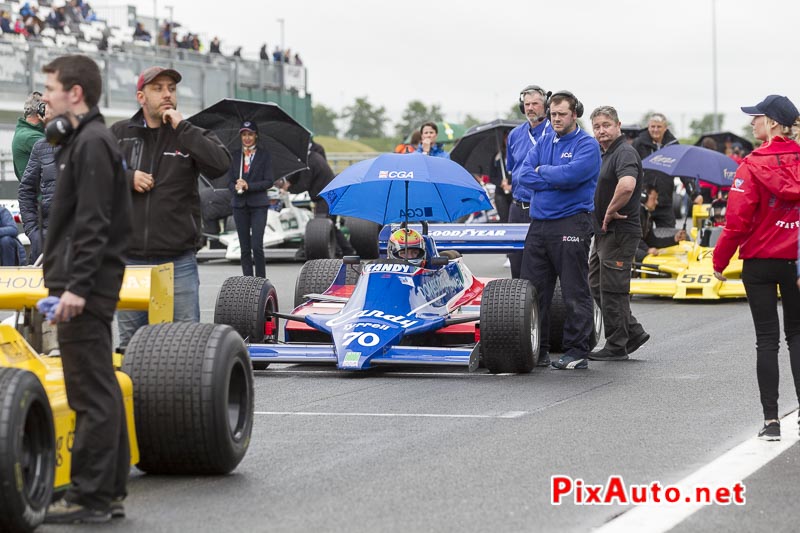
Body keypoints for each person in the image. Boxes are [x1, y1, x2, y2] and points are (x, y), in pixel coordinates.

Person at [39, 54, 131, 524]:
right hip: (89, 285)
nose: (47, 97)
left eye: (52, 88)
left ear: (75, 93)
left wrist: (75, 288)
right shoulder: (88, 139)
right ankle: (107, 492)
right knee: (102, 390)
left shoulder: (93, 142)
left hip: (85, 290)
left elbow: (93, 223)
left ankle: (89, 497)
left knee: (89, 395)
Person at [111, 66, 231, 348]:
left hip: (178, 261)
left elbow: (221, 165)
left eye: (172, 89)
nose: (167, 94)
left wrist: (184, 128)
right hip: (129, 261)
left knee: (186, 345)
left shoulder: (188, 133)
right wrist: (127, 178)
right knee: (131, 346)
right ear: (141, 96)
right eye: (158, 88)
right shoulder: (118, 134)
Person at [713, 95, 800, 441]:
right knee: (797, 336)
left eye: (757, 118)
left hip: (760, 262)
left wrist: (720, 260)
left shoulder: (750, 165)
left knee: (767, 340)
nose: (752, 124)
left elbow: (736, 222)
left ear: (774, 124)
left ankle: (771, 421)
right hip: (795, 261)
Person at [517, 90, 601, 370]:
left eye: (561, 114)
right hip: (539, 225)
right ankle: (538, 349)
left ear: (574, 113)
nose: (556, 119)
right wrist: (551, 174)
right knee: (534, 291)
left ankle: (577, 350)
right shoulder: (544, 140)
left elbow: (571, 176)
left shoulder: (587, 145)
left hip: (571, 222)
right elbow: (523, 175)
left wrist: (545, 173)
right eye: (552, 114)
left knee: (574, 290)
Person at [587, 106, 650, 361]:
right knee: (596, 284)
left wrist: (610, 211)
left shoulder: (624, 152)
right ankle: (632, 332)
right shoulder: (606, 154)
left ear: (618, 125)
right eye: (597, 127)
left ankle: (616, 344)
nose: (602, 131)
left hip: (620, 230)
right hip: (604, 233)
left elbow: (626, 185)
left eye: (606, 125)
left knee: (613, 289)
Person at [506, 84, 550, 279]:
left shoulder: (554, 132)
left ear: (545, 106)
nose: (530, 108)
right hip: (517, 207)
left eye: (535, 104)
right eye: (526, 104)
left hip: (542, 205)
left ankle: (544, 308)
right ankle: (519, 306)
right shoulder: (515, 134)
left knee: (542, 263)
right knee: (517, 261)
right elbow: (512, 167)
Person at [229, 121, 273, 278]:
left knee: (257, 246)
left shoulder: (264, 155)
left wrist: (249, 186)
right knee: (244, 248)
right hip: (239, 205)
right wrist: (235, 186)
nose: (247, 138)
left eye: (250, 134)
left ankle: (261, 280)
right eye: (244, 134)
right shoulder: (235, 155)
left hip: (258, 205)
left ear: (256, 135)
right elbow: (228, 181)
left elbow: (269, 181)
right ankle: (248, 282)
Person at [19, 104, 59, 264]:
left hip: (80, 240)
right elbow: (26, 190)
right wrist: (34, 233)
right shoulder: (40, 146)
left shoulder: (88, 143)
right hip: (45, 238)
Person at [632, 113, 683, 228]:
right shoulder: (639, 143)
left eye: (659, 127)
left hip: (665, 201)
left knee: (669, 237)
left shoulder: (673, 145)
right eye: (652, 126)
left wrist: (694, 193)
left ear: (665, 128)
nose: (655, 130)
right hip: (644, 200)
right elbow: (630, 167)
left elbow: (682, 169)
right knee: (641, 236)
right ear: (648, 127)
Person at [636, 184, 687, 262]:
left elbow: (653, 241)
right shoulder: (635, 213)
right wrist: (647, 249)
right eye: (654, 198)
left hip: (633, 249)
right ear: (644, 197)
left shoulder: (647, 215)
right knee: (645, 257)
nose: (656, 202)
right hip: (623, 251)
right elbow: (632, 237)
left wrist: (674, 239)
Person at [12, 91, 46, 180]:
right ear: (42, 110)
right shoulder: (30, 137)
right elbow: (61, 153)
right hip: (40, 192)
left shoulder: (25, 132)